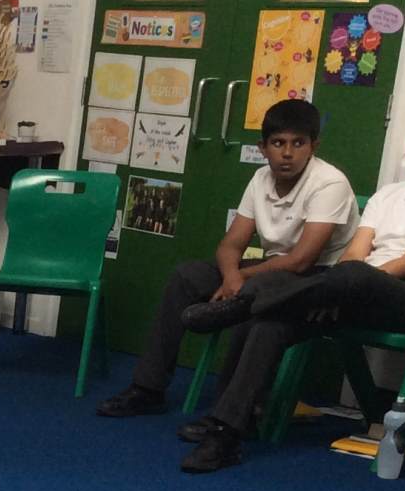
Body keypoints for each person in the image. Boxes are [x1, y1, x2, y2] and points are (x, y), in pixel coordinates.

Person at [178, 93, 405, 473]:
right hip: (354, 291)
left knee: (346, 276)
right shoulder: (388, 195)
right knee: (271, 322)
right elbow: (354, 252)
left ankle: (249, 300)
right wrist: (336, 290)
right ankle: (226, 431)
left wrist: (344, 284)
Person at [98, 99, 359, 424]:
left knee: (256, 291)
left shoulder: (330, 183)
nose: (287, 153)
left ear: (313, 147)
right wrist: (233, 275)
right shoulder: (260, 178)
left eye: (298, 143)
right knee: (186, 276)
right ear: (263, 148)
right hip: (270, 269)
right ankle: (147, 389)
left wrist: (243, 279)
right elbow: (231, 245)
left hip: (316, 279)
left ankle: (228, 413)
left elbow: (302, 260)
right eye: (278, 143)